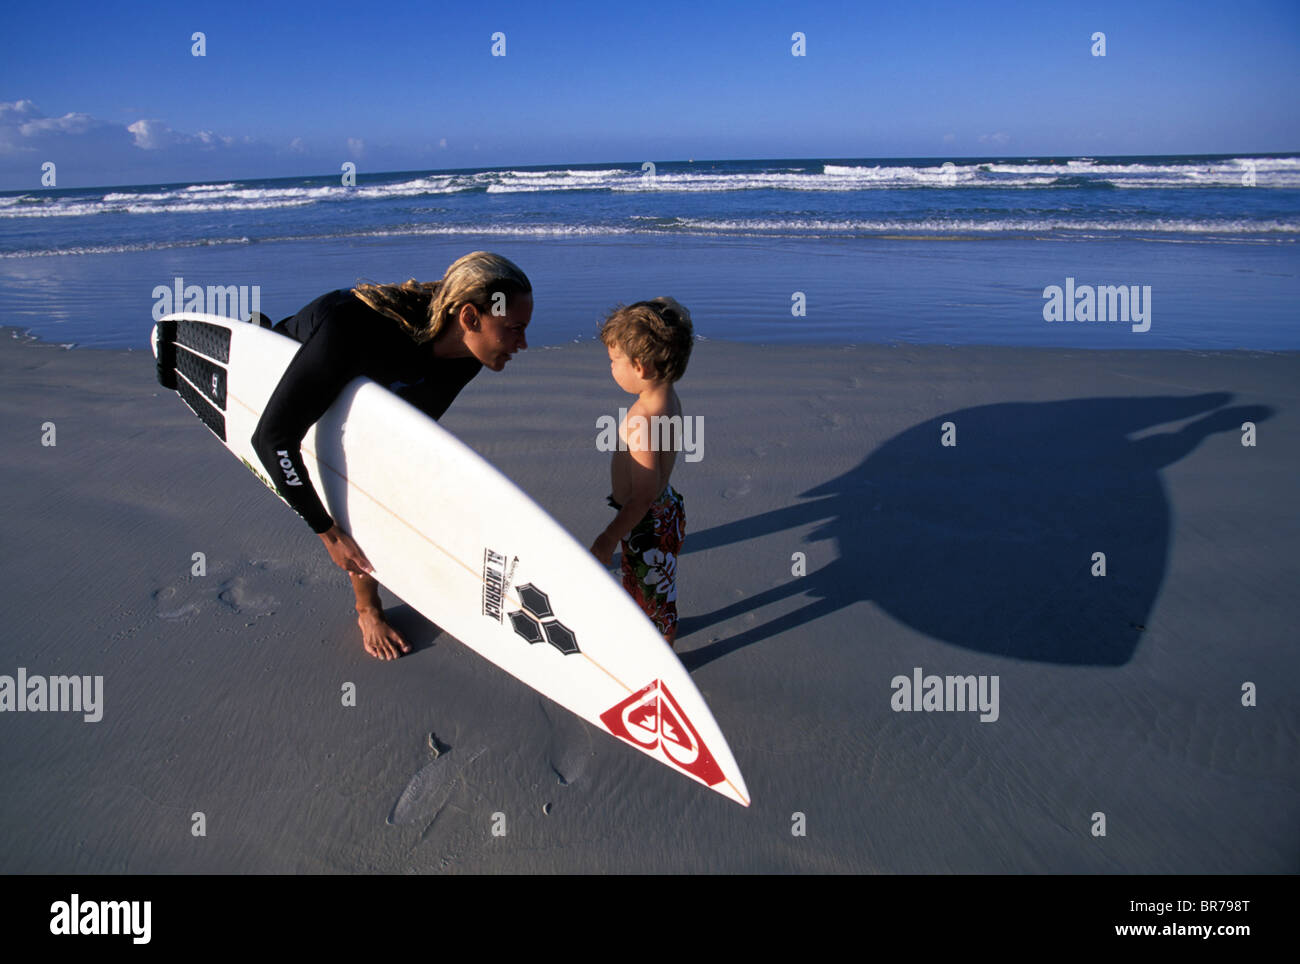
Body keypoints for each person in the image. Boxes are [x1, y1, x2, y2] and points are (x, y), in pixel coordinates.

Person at [251, 251, 532, 660]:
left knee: (380, 475)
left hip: (384, 369)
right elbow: (273, 440)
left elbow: (403, 440)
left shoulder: (466, 358)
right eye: (514, 329)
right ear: (470, 318)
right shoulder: (354, 329)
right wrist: (328, 532)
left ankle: (368, 598)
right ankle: (368, 608)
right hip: (314, 346)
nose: (523, 343)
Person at [589, 297, 694, 648]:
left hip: (647, 524)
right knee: (645, 585)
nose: (611, 368)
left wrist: (608, 537)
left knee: (655, 599)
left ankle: (662, 647)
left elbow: (642, 497)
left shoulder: (645, 421)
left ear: (641, 367)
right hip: (665, 512)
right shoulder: (666, 396)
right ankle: (655, 626)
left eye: (614, 361)